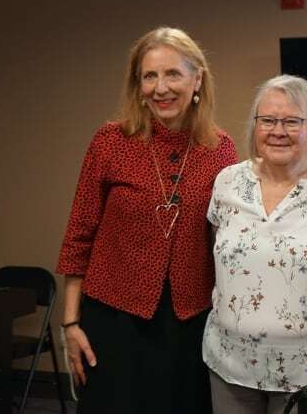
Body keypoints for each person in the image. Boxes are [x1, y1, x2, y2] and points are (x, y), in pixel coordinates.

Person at [56, 27, 238, 413]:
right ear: (137, 85)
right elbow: (79, 235)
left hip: (190, 323)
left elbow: (227, 237)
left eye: (173, 74)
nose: (161, 88)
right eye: (149, 76)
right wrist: (70, 325)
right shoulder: (110, 141)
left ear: (197, 79)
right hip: (113, 320)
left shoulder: (220, 149)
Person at [202, 75, 307, 414]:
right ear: (254, 126)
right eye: (268, 121)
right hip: (230, 365)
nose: (278, 131)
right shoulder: (228, 182)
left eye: (292, 121)